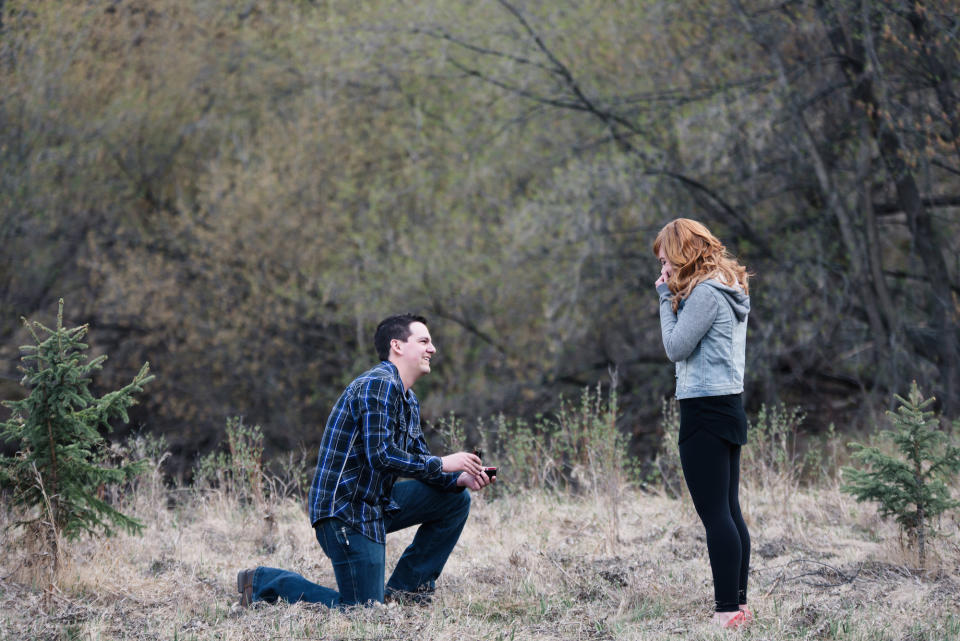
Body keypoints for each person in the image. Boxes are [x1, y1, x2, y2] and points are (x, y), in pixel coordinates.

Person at [236, 314, 493, 608]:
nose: (432, 348)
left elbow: (418, 461)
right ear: (397, 346)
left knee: (456, 499)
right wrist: (444, 463)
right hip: (343, 512)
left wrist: (459, 479)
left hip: (375, 506)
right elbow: (381, 455)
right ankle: (262, 581)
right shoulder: (378, 384)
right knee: (362, 610)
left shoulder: (407, 399)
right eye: (424, 341)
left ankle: (406, 593)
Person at [653, 218, 753, 629]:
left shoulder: (706, 294)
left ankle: (726, 610)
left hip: (705, 410)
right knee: (729, 510)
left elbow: (675, 347)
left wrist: (663, 298)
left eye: (666, 261)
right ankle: (739, 607)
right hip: (727, 405)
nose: (663, 271)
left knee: (716, 514)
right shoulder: (728, 288)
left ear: (683, 253)